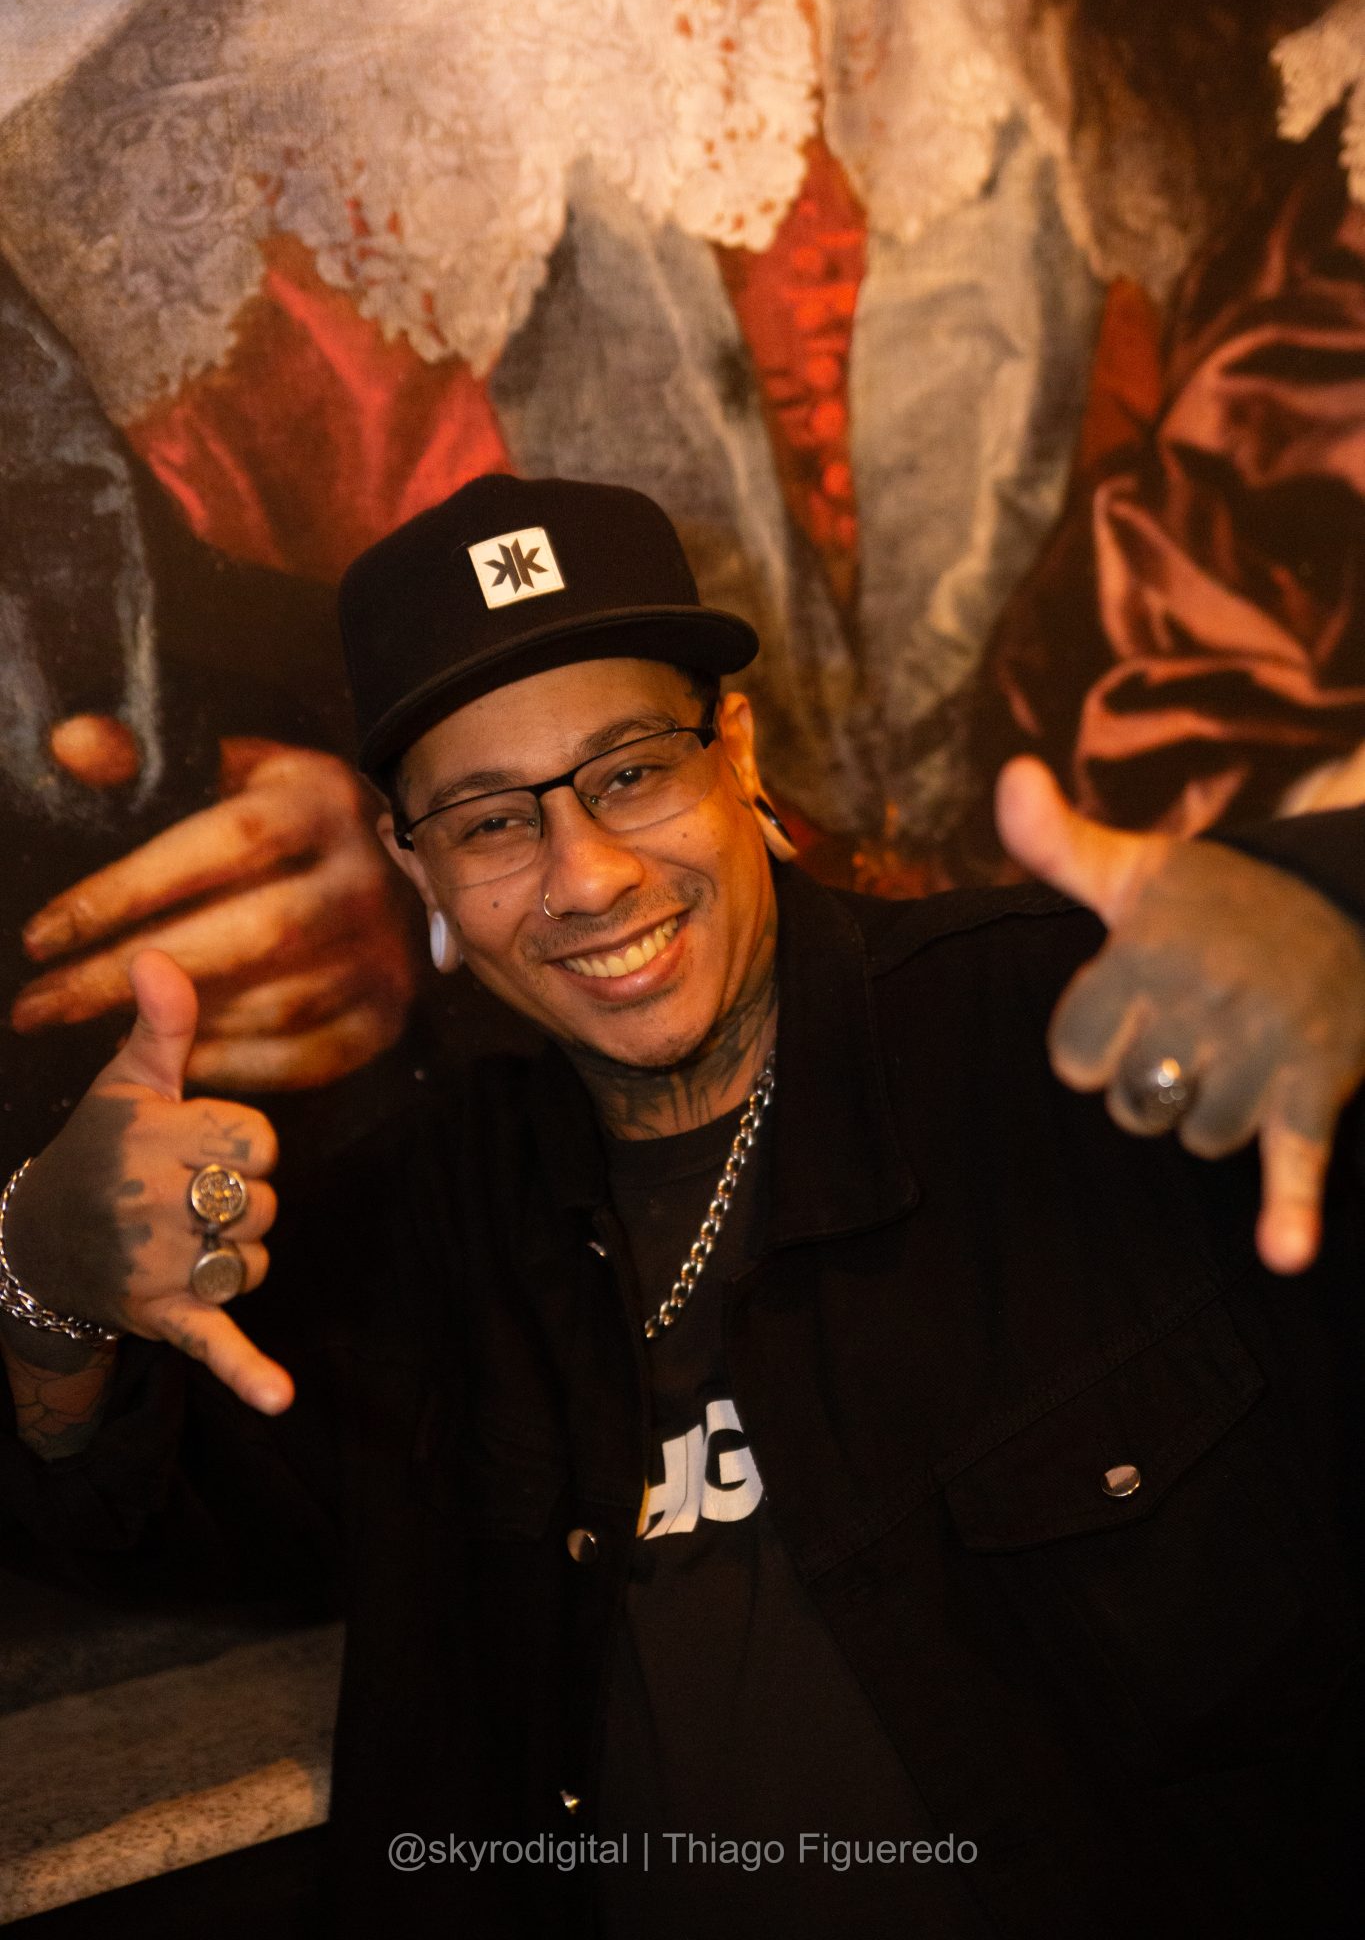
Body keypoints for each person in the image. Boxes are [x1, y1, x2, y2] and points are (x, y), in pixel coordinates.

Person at [2, 473, 1365, 1939]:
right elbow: (134, 1527)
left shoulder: (1057, 1034)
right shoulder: (416, 1222)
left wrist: (1325, 914)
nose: (587, 876)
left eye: (632, 772)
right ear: (415, 864)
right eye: (490, 823)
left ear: (737, 750)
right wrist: (40, 1274)